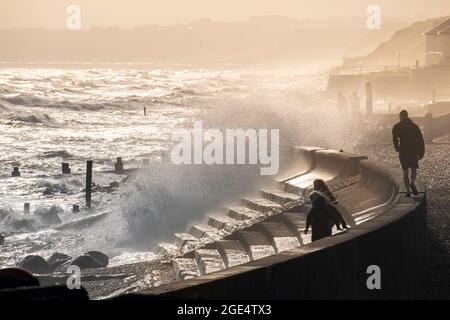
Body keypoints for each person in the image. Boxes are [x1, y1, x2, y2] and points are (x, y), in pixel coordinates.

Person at [392, 110, 425, 197]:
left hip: (403, 152)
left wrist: (397, 147)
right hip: (413, 151)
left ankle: (407, 191)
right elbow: (420, 140)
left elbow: (395, 139)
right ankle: (412, 182)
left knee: (405, 172)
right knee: (414, 170)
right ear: (407, 115)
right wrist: (421, 152)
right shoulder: (414, 126)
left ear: (401, 116)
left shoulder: (397, 127)